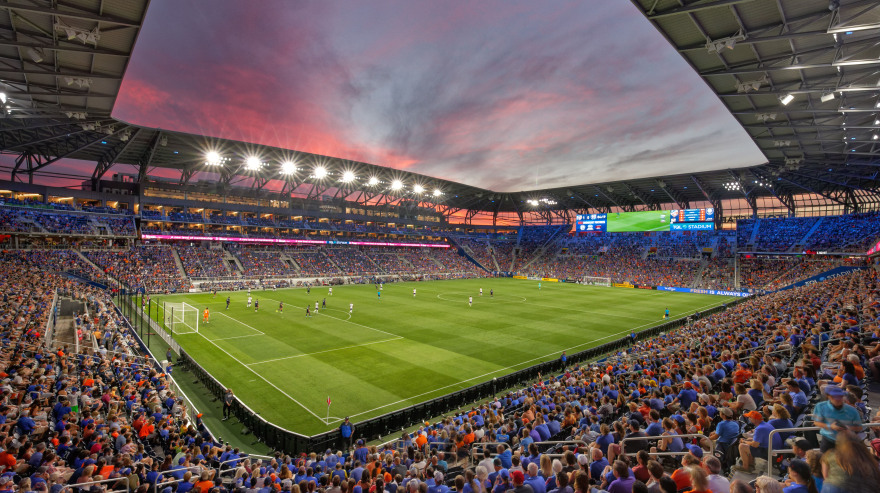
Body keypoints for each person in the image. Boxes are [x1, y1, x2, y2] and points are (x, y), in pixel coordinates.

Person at [813, 385, 862, 451]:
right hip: (827, 441)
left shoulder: (853, 410)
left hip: (846, 442)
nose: (838, 399)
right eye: (835, 396)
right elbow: (816, 422)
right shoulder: (820, 406)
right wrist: (830, 426)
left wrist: (847, 428)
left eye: (840, 396)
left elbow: (859, 428)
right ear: (828, 396)